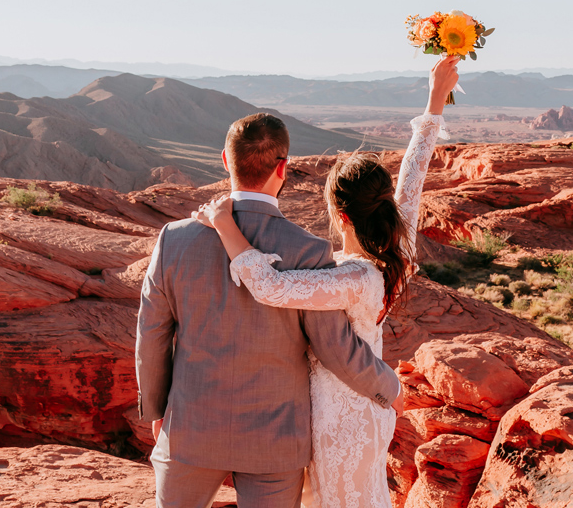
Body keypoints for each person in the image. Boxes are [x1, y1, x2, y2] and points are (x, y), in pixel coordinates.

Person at [192, 55, 460, 508]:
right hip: (363, 411)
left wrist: (224, 224)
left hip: (340, 418)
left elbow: (271, 286)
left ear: (339, 215)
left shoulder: (350, 278)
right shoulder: (394, 254)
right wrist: (433, 104)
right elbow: (412, 178)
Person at [136, 111, 404, 508]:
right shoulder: (309, 251)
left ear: (226, 161)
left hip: (191, 428)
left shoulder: (174, 239)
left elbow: (153, 332)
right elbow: (335, 348)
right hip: (275, 440)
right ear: (283, 168)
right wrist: (388, 387)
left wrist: (158, 409)